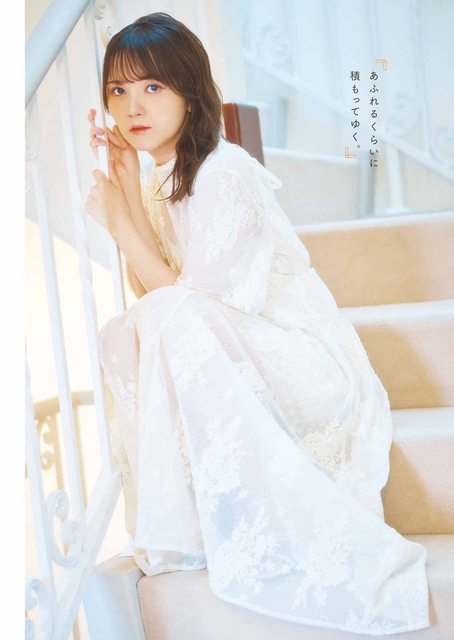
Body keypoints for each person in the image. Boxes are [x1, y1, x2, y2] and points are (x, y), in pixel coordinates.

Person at [85, 12, 430, 636]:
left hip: (300, 361)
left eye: (153, 86)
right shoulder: (166, 176)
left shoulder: (223, 172)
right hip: (236, 344)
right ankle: (187, 518)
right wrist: (129, 193)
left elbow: (190, 307)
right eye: (119, 89)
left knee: (167, 315)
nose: (133, 106)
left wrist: (117, 222)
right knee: (125, 330)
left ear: (190, 93)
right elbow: (153, 293)